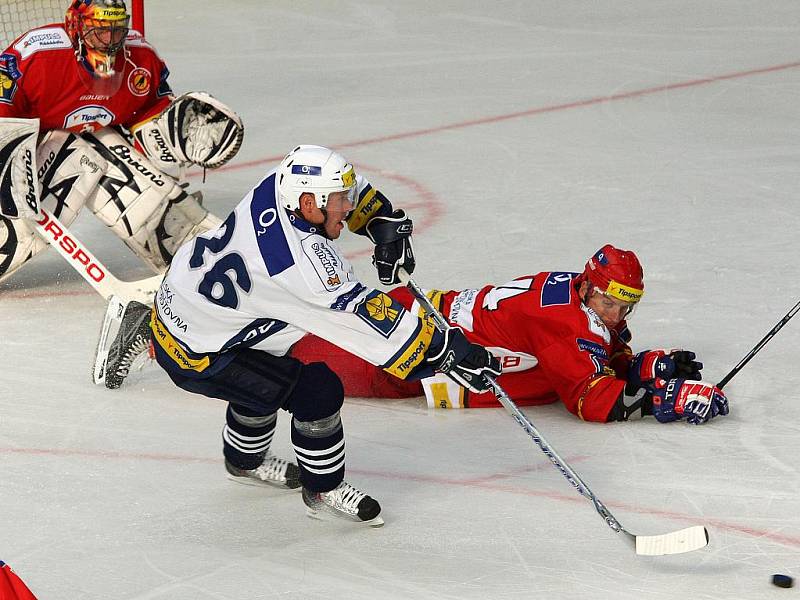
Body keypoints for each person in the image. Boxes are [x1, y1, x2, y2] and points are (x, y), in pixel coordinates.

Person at [111, 145, 502, 525]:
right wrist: (447, 350)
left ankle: (243, 461)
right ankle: (323, 490)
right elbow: (365, 320)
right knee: (318, 391)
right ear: (311, 205)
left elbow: (341, 183)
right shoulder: (303, 269)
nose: (347, 206)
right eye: (340, 201)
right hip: (199, 355)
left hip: (186, 303)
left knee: (269, 371)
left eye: (347, 199)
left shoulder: (277, 184)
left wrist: (378, 219)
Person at [291, 244, 730, 425]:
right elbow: (588, 399)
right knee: (292, 365)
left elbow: (590, 358)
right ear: (589, 287)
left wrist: (641, 365)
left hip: (418, 317)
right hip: (410, 359)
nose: (616, 315)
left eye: (625, 305)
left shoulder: (571, 292)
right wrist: (663, 400)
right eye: (608, 302)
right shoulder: (568, 325)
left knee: (300, 339)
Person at [0, 0, 242, 286]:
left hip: (81, 145)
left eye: (116, 31)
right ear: (75, 28)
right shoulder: (37, 55)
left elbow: (149, 114)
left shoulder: (140, 61)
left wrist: (171, 136)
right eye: (99, 31)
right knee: (72, 155)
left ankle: (184, 245)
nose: (108, 41)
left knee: (95, 148)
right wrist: (10, 160)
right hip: (27, 152)